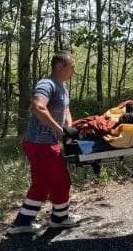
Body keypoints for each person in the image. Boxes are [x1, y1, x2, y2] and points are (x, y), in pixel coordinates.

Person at [7, 50, 81, 234]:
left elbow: (66, 109)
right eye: (71, 67)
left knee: (41, 183)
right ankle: (60, 218)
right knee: (61, 180)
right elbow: (38, 107)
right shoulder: (46, 84)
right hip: (41, 143)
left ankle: (23, 222)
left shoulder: (62, 86)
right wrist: (59, 130)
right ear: (59, 66)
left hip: (43, 143)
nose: (74, 70)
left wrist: (68, 128)